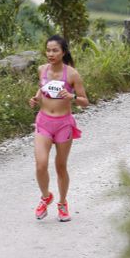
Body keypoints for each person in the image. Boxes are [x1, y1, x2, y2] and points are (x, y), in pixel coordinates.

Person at [28, 35, 87, 222]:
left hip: (63, 124)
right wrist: (36, 98)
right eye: (48, 50)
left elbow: (85, 102)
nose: (51, 54)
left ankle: (62, 204)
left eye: (55, 50)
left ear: (63, 52)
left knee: (60, 167)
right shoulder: (41, 70)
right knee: (41, 165)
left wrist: (71, 97)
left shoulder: (72, 74)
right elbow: (42, 87)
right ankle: (46, 197)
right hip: (44, 122)